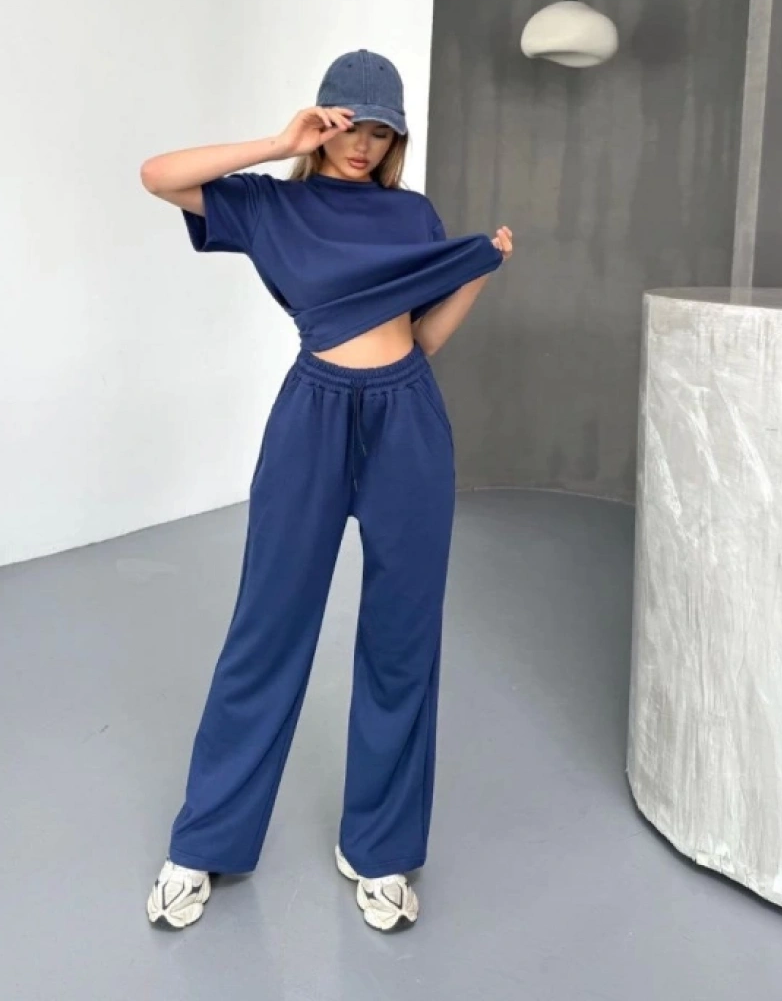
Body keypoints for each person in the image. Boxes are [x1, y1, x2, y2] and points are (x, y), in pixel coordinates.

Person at [139, 49, 513, 933]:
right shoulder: (273, 204)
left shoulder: (413, 215)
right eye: (349, 124)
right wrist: (280, 142)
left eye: (381, 131)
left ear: (396, 140)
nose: (363, 144)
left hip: (407, 415)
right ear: (323, 121)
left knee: (402, 636)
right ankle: (206, 840)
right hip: (312, 414)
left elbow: (422, 340)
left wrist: (475, 273)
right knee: (267, 625)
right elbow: (158, 176)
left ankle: (378, 848)